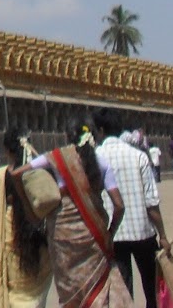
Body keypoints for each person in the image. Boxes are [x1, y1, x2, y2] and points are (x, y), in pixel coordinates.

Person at [27, 126, 131, 308]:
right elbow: (119, 206)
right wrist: (110, 233)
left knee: (70, 292)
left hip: (62, 238)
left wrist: (31, 210)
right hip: (95, 237)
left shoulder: (56, 158)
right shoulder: (101, 162)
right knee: (98, 286)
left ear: (69, 138)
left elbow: (18, 173)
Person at [94, 108, 167, 307]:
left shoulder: (95, 157)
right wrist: (163, 235)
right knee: (151, 288)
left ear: (100, 130)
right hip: (143, 231)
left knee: (123, 292)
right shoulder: (139, 156)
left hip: (114, 235)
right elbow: (152, 202)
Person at [0, 127, 52, 308]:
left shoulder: (0, 177)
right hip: (36, 237)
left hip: (9, 233)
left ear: (6, 150)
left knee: (12, 289)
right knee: (32, 291)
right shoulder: (37, 174)